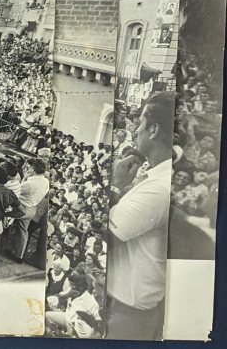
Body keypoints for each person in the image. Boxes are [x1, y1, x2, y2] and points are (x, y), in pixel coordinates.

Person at [106, 92, 175, 340]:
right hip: (130, 307)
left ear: (154, 129)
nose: (136, 129)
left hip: (127, 313)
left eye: (140, 122)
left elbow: (104, 241)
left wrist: (114, 186)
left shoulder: (158, 188)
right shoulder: (160, 178)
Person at [10, 157, 49, 261]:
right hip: (32, 209)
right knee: (23, 231)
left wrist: (24, 178)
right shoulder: (46, 182)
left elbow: (16, 191)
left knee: (4, 219)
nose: (27, 169)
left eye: (28, 167)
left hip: (21, 208)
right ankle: (19, 255)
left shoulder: (29, 183)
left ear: (32, 169)